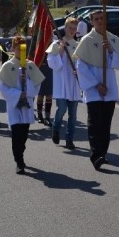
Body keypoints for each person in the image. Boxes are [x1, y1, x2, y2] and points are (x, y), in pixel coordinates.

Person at [73, 9, 119, 170]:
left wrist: (111, 50)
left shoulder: (112, 38)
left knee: (105, 124)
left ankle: (103, 153)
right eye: (96, 19)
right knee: (94, 123)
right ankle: (95, 155)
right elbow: (81, 67)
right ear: (91, 22)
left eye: (101, 18)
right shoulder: (87, 40)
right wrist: (97, 85)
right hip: (93, 89)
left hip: (109, 86)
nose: (99, 21)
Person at [0, 36, 44, 174]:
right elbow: (3, 87)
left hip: (27, 105)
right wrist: (18, 94)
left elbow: (37, 84)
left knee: (23, 135)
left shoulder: (30, 65)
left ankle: (20, 153)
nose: (20, 51)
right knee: (16, 135)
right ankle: (19, 161)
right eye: (18, 48)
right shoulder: (8, 66)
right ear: (13, 48)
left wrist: (28, 86)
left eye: (23, 48)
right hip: (14, 106)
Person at [46, 18, 81, 149]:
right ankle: (56, 128)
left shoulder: (78, 46)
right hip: (61, 84)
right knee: (62, 109)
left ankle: (69, 139)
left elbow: (82, 64)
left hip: (73, 83)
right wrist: (61, 50)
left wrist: (79, 72)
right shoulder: (56, 44)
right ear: (65, 28)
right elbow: (51, 63)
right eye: (70, 28)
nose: (72, 31)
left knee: (73, 114)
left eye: (74, 28)